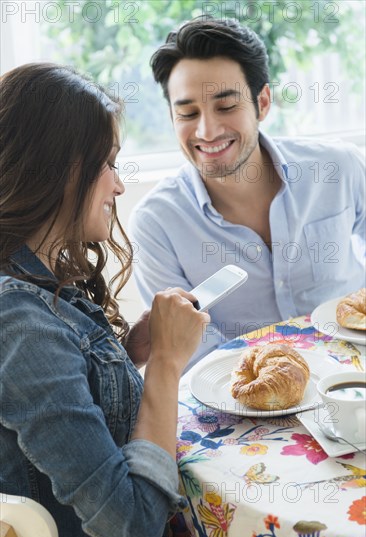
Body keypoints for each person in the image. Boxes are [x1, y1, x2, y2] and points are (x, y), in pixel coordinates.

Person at [0, 63, 210, 537]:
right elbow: (133, 526)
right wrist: (166, 366)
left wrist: (131, 349)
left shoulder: (32, 285)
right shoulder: (20, 322)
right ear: (59, 169)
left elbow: (66, 386)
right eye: (109, 163)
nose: (118, 186)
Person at [128, 17, 366, 367]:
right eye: (188, 113)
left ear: (263, 103)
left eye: (226, 107)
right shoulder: (156, 224)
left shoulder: (339, 168)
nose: (207, 131)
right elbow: (197, 358)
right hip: (244, 402)